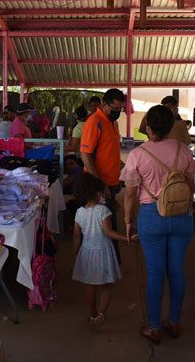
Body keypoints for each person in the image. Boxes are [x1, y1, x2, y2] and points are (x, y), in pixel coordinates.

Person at [122, 105, 195, 343]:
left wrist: (128, 221)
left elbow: (130, 194)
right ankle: (173, 323)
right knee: (176, 270)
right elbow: (190, 187)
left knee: (155, 272)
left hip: (151, 216)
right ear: (170, 126)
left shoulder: (137, 154)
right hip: (181, 216)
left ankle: (154, 327)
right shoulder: (184, 150)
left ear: (148, 126)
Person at [72, 173, 131, 327]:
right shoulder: (103, 211)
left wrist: (77, 253)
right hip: (103, 252)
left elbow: (76, 236)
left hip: (86, 252)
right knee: (107, 284)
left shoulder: (79, 212)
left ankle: (92, 315)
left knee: (89, 285)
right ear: (98, 193)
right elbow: (109, 232)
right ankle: (101, 314)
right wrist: (126, 238)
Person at [81, 88, 125, 262]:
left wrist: (118, 168)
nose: (118, 112)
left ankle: (110, 264)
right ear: (104, 104)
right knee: (100, 229)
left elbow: (108, 149)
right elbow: (85, 155)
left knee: (109, 225)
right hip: (97, 186)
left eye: (120, 109)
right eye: (115, 109)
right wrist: (100, 184)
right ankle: (99, 265)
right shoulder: (94, 121)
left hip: (110, 183)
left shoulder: (113, 123)